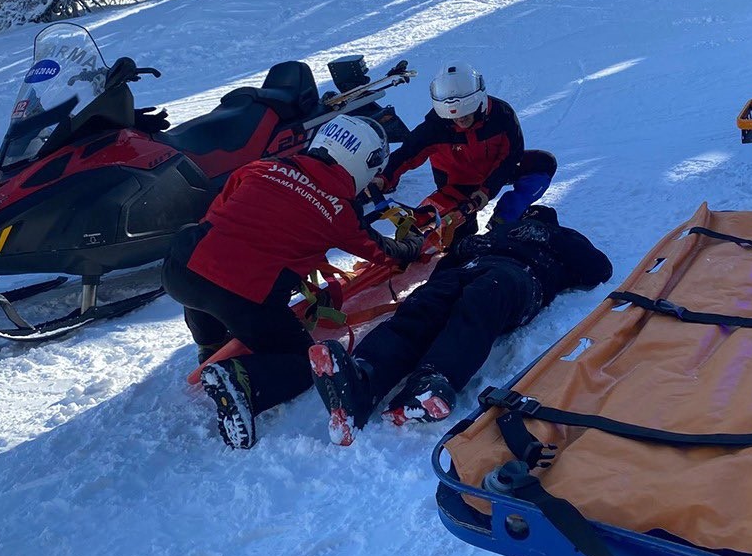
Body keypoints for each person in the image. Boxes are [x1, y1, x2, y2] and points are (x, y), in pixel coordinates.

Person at [162, 114, 423, 449]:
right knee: (302, 362)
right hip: (240, 294)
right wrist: (412, 246)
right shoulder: (338, 210)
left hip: (180, 270)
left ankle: (210, 345)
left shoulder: (261, 167)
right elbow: (380, 251)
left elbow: (217, 216)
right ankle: (242, 379)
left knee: (208, 259)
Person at [309, 205, 612, 446]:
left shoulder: (559, 237)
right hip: (467, 268)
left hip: (519, 275)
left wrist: (557, 247)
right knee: (422, 308)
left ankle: (434, 380)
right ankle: (363, 379)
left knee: (480, 303)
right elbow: (450, 260)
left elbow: (598, 268)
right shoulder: (496, 233)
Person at [370, 62, 556, 240]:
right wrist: (383, 178)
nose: (460, 120)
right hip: (456, 187)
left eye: (466, 115)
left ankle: (503, 219)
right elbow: (406, 154)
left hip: (494, 173)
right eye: (455, 117)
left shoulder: (502, 115)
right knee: (441, 234)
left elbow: (510, 158)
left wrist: (486, 191)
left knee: (543, 163)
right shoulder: (436, 126)